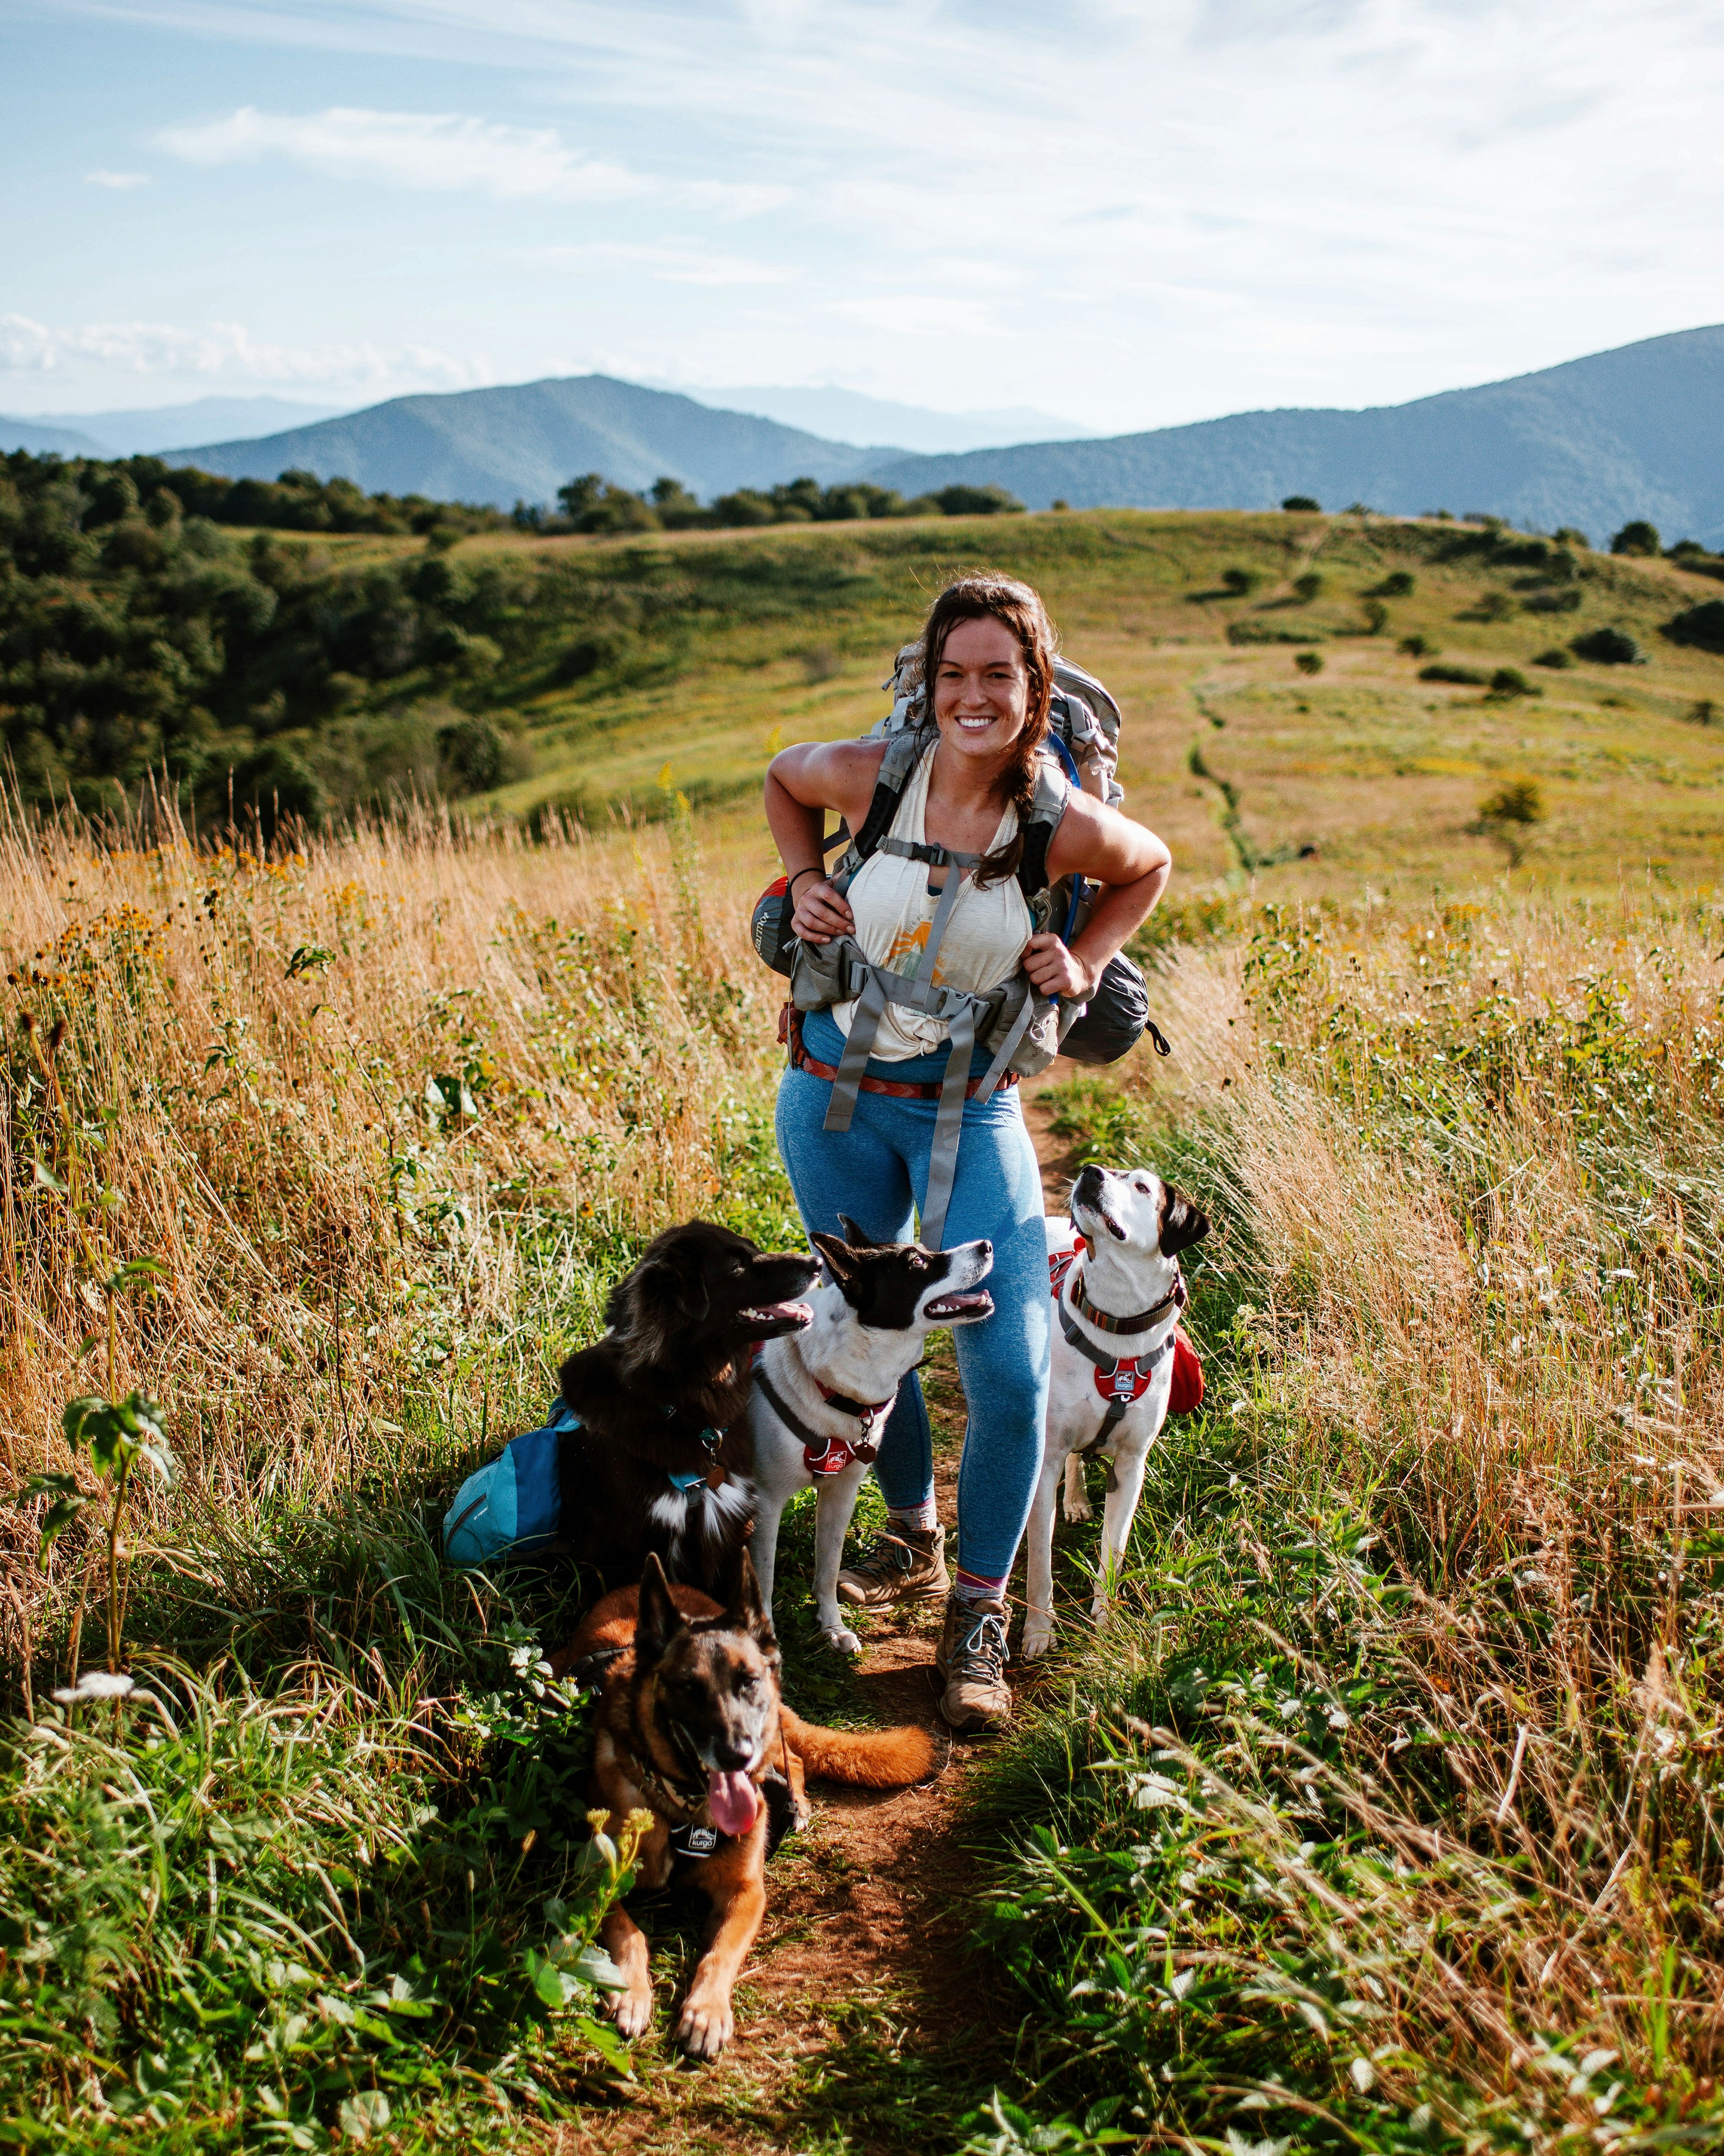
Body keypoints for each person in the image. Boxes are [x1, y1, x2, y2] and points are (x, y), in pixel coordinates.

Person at [764, 574, 1171, 1733]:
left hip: (974, 1112)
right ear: (929, 684)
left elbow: (1149, 866)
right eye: (954, 674)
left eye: (998, 674)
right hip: (830, 1098)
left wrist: (1087, 957)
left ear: (1034, 688)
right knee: (862, 1335)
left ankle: (980, 1622)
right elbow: (783, 778)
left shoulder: (1056, 820)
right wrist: (803, 879)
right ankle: (910, 1532)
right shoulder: (877, 773)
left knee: (1008, 1372)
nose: (973, 695)